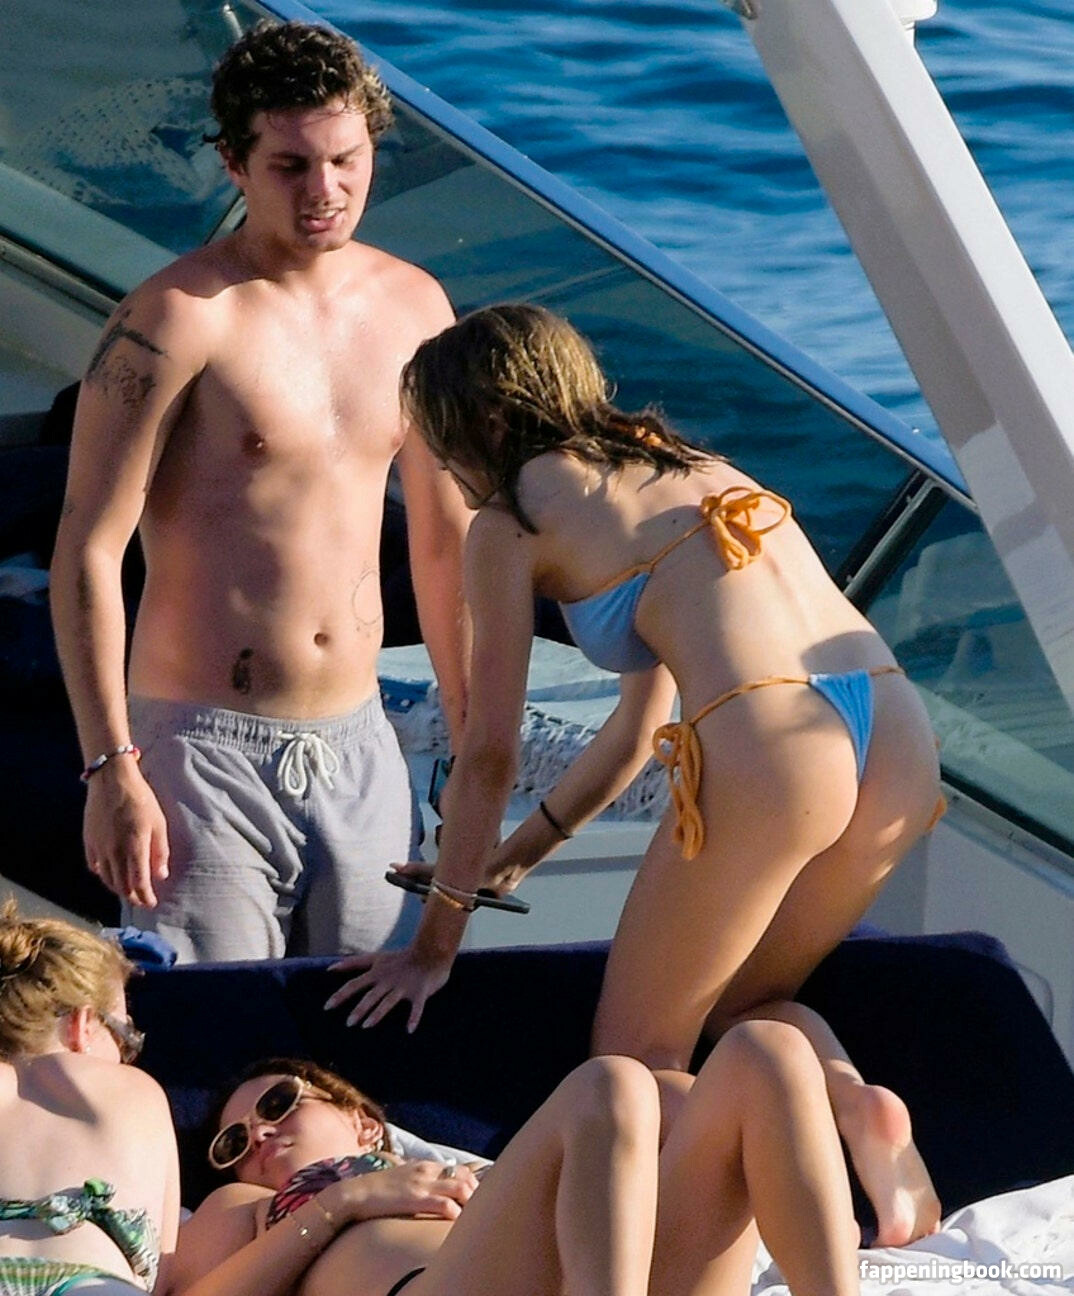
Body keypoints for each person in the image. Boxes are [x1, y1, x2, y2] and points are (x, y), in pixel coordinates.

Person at [328, 305, 944, 1126]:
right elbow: (632, 733)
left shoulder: (511, 525)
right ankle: (862, 1112)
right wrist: (511, 860)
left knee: (635, 1066)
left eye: (440, 443)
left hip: (774, 742)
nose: (441, 467)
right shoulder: (685, 463)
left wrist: (434, 944)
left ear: (485, 424)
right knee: (745, 1010)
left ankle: (685, 1207)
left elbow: (489, 754)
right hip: (894, 727)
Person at [49, 20, 471, 963]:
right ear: (234, 165)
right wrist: (110, 767)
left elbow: (447, 541)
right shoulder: (175, 318)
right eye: (291, 166)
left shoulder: (417, 308)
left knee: (363, 1033)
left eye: (346, 160)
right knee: (216, 1028)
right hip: (201, 760)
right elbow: (88, 548)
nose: (325, 190)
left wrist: (474, 739)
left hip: (363, 749)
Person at [172, 1027, 865, 1296]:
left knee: (765, 1051)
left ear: (362, 1120)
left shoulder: (485, 1172)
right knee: (608, 1082)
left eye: (280, 1104)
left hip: (602, 1272)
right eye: (233, 1144)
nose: (259, 1135)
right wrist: (340, 1202)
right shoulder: (251, 1205)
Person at [0, 898, 180, 1294]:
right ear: (83, 1024)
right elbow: (161, 1276)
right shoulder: (132, 1088)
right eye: (126, 1036)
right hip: (89, 1281)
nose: (127, 1054)